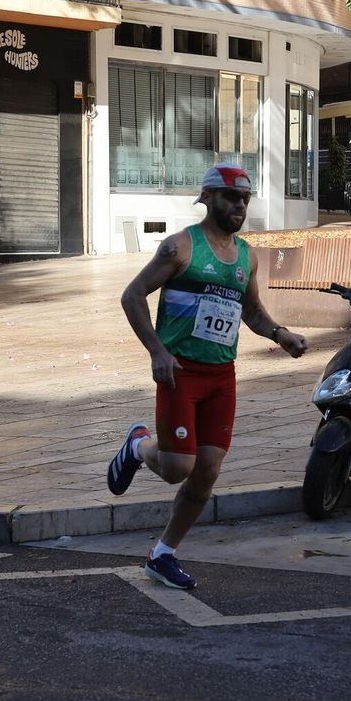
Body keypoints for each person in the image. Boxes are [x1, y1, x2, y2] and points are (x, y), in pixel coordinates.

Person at [107, 163, 309, 590]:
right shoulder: (180, 247)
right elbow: (132, 295)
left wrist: (280, 334)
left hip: (222, 376)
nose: (238, 206)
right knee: (178, 466)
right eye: (230, 198)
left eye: (244, 200)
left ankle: (163, 553)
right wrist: (156, 350)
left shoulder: (247, 256)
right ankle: (138, 446)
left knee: (208, 471)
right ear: (208, 198)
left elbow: (250, 311)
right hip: (180, 371)